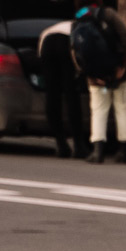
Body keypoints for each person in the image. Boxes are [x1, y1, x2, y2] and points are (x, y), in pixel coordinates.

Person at [71, 0, 126, 164]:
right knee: (123, 108)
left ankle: (97, 151)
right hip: (121, 73)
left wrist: (89, 74)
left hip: (95, 77)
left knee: (99, 111)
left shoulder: (77, 20)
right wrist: (123, 66)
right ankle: (124, 152)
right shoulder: (108, 14)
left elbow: (75, 52)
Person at [37, 20, 88, 158]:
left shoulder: (50, 29)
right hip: (66, 43)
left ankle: (61, 144)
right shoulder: (83, 26)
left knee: (52, 96)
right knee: (71, 93)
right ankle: (79, 145)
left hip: (46, 44)